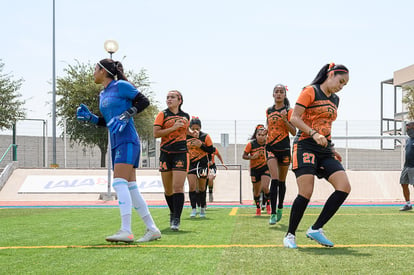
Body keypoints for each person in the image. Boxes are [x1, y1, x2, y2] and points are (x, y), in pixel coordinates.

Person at [76, 58, 161, 243]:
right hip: (116, 142)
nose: (93, 72)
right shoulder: (103, 93)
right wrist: (91, 118)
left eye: (95, 68)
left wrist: (126, 114)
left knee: (119, 183)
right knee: (130, 187)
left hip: (128, 140)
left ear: (103, 71)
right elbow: (108, 122)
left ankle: (126, 230)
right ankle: (152, 229)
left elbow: (143, 101)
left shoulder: (121, 86)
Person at [283, 63, 350, 249]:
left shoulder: (335, 99)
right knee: (306, 191)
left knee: (344, 187)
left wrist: (331, 147)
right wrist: (313, 133)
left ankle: (316, 228)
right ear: (331, 74)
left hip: (325, 148)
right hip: (305, 145)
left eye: (344, 85)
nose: (341, 86)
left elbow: (326, 125)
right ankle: (290, 235)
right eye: (340, 81)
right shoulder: (310, 91)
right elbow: (294, 118)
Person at [153, 90, 195, 231]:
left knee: (178, 187)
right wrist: (173, 128)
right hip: (166, 153)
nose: (169, 99)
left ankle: (176, 218)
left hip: (181, 153)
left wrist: (192, 133)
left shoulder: (185, 116)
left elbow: (185, 130)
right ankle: (172, 212)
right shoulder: (162, 114)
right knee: (168, 189)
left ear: (180, 100)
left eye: (172, 97)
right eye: (167, 97)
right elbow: (156, 134)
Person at [265, 84, 296, 225]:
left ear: (285, 95)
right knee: (275, 180)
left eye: (281, 92)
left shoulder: (289, 111)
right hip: (270, 148)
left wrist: (284, 119)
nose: (278, 94)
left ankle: (280, 208)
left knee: (282, 182)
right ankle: (272, 213)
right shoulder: (269, 110)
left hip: (284, 148)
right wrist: (266, 132)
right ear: (273, 94)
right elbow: (269, 126)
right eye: (276, 91)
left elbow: (294, 132)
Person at [186, 117, 216, 218]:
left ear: (200, 128)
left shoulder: (205, 136)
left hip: (202, 163)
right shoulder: (186, 136)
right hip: (191, 164)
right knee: (192, 187)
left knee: (202, 187)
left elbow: (211, 150)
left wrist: (201, 146)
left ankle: (202, 208)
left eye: (197, 128)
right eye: (193, 128)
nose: (195, 131)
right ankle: (194, 209)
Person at [243, 124, 271, 216]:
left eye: (263, 135)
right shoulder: (251, 144)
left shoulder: (268, 143)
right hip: (255, 169)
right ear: (256, 135)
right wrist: (252, 157)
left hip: (266, 168)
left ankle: (268, 204)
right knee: (256, 191)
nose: (261, 137)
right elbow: (244, 156)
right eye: (259, 135)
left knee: (265, 186)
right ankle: (258, 207)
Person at [399, 121, 414, 211]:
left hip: (413, 167)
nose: (407, 129)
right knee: (403, 183)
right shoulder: (408, 140)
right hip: (406, 166)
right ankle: (408, 204)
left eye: (409, 127)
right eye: (407, 128)